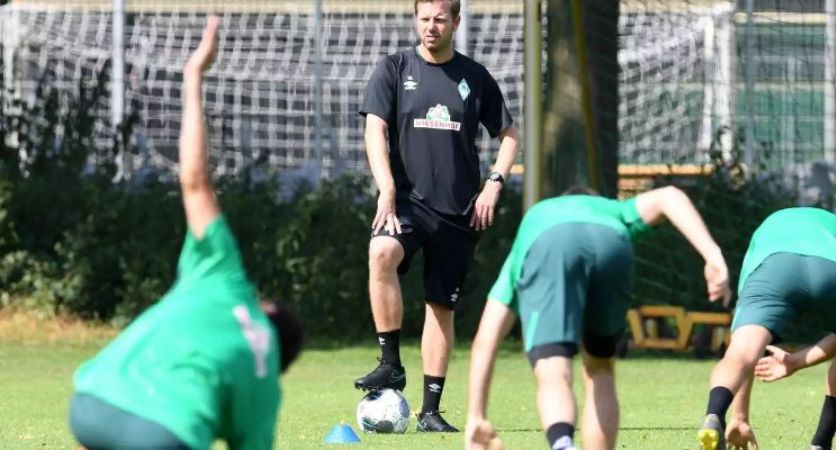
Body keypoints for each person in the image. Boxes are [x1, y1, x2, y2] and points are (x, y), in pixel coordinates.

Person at [68, 17, 304, 450]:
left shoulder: (225, 278)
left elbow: (195, 180)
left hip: (93, 400)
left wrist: (193, 76)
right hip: (164, 430)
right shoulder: (264, 375)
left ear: (263, 305)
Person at [355, 0, 519, 433]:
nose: (431, 26)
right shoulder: (394, 68)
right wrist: (386, 188)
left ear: (455, 23)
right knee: (381, 252)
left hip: (459, 212)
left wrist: (494, 183)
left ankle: (429, 412)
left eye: (440, 19)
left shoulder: (475, 77)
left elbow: (509, 135)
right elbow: (375, 128)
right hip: (407, 203)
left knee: (439, 307)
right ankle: (390, 363)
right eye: (424, 18)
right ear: (416, 20)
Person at [465, 186, 732, 450]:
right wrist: (712, 255)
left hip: (551, 242)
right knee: (600, 367)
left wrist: (476, 417)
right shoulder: (613, 210)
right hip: (612, 242)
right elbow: (669, 196)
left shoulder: (539, 216)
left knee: (552, 366)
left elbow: (487, 336)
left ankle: (562, 444)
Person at [697, 207, 836, 450]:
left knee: (743, 348)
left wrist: (740, 417)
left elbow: (742, 343)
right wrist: (797, 361)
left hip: (774, 264)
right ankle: (821, 443)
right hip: (832, 266)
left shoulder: (766, 228)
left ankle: (715, 415)